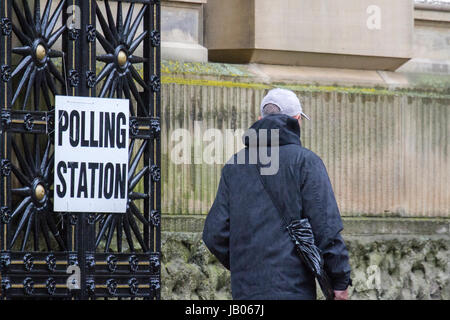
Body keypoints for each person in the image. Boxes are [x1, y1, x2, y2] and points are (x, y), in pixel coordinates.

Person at [203, 88, 351, 300]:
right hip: (293, 290)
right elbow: (326, 228)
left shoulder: (234, 165)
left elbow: (214, 233)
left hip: (246, 292)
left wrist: (245, 264)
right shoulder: (305, 162)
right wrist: (339, 281)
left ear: (260, 119)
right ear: (297, 120)